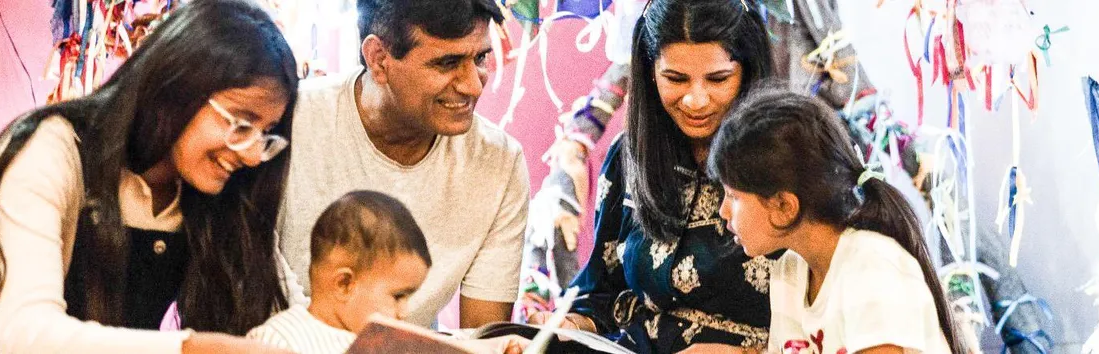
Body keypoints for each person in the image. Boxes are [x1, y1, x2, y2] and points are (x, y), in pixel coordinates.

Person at [0, 0, 303, 352]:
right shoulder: (52, 150)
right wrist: (190, 347)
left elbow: (292, 320)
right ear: (177, 85)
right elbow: (27, 335)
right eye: (241, 123)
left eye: (266, 134)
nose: (254, 154)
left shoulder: (213, 193)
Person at [533, 0, 777, 352]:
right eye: (675, 79)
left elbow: (832, 317)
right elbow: (602, 293)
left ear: (748, 71)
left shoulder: (790, 161)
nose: (695, 100)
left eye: (718, 79)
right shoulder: (630, 156)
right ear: (649, 72)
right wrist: (570, 324)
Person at [278, 0, 528, 329]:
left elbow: (483, 338)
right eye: (447, 63)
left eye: (480, 57)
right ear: (379, 60)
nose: (473, 85)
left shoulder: (499, 163)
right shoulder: (286, 126)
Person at [709, 88, 961, 354]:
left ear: (784, 206)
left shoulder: (871, 268)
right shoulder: (789, 272)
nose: (723, 211)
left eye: (733, 197)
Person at [250, 191, 526, 353]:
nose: (405, 311)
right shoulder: (279, 340)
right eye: (398, 296)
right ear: (345, 284)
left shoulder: (380, 343)